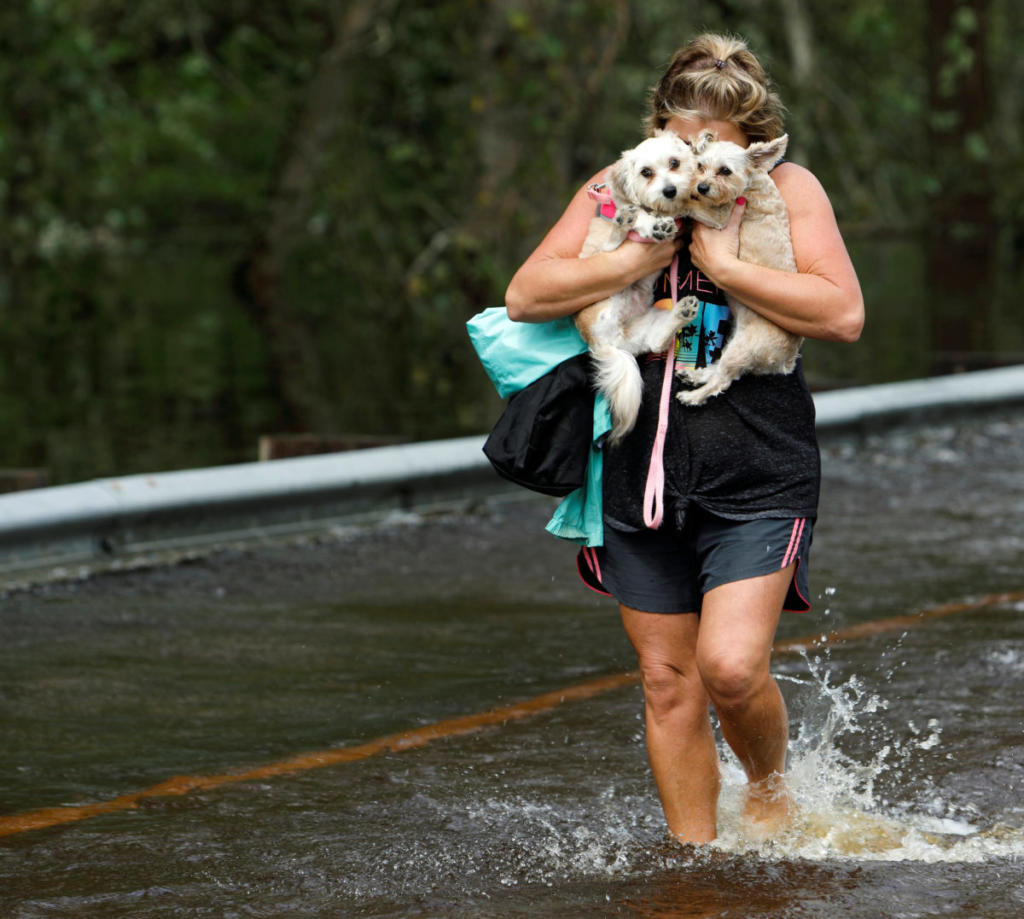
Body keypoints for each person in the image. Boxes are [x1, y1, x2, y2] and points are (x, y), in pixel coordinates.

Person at [504, 33, 864, 845]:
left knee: (731, 668)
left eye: (717, 149)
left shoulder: (785, 188)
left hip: (758, 465)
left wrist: (728, 268)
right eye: (686, 142)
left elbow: (841, 313)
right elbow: (527, 294)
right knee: (669, 682)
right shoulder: (618, 187)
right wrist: (638, 250)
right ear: (658, 127)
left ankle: (770, 788)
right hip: (638, 470)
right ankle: (695, 865)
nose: (697, 167)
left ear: (753, 138)